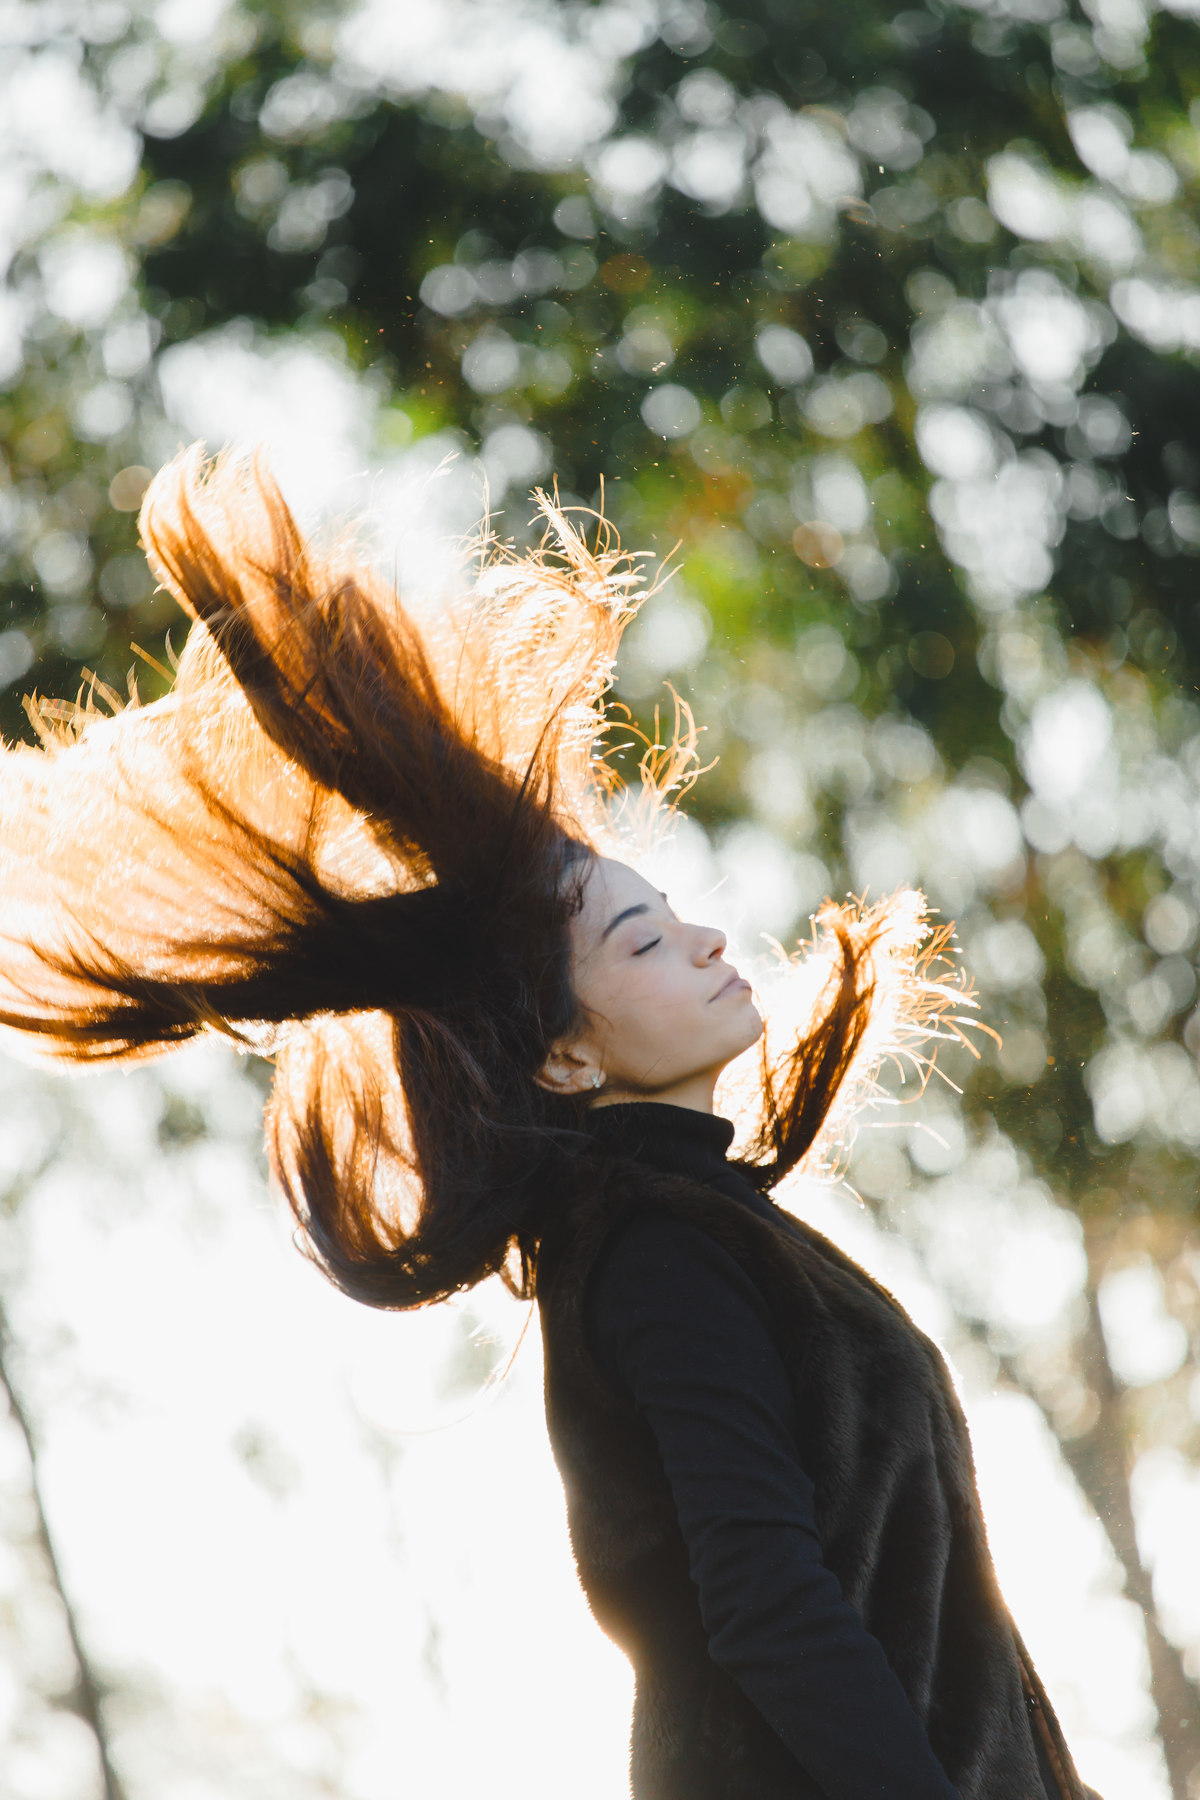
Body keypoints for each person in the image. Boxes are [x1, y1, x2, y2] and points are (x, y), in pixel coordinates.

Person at [0, 447, 1095, 1800]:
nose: (702, 937)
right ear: (565, 1060)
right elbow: (761, 1601)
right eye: (643, 935)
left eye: (673, 908)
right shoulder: (655, 1255)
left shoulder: (707, 1233)